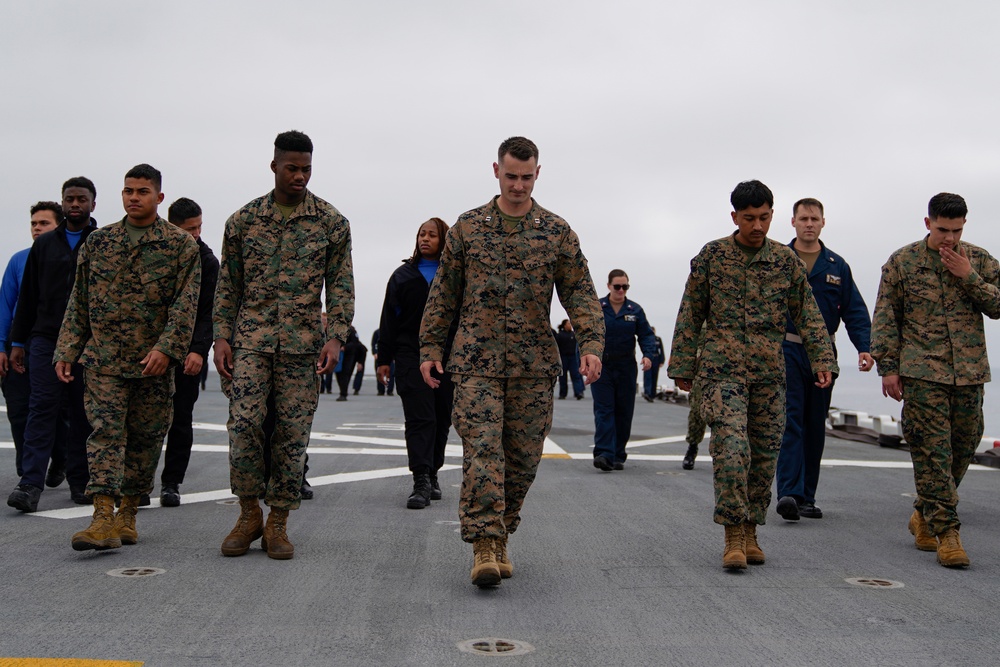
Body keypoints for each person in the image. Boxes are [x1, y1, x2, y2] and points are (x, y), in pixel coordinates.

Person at [420, 136, 605, 587]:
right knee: (484, 453)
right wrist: (429, 348)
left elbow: (579, 290)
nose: (518, 185)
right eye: (510, 176)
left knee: (522, 460)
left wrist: (592, 343)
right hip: (475, 362)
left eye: (526, 177)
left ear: (537, 174)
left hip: (533, 365)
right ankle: (484, 544)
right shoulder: (468, 227)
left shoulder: (556, 231)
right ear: (496, 172)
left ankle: (502, 532)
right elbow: (444, 293)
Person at [668, 180, 836, 570]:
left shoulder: (785, 262)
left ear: (772, 215)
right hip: (719, 372)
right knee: (731, 450)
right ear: (734, 217)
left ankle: (750, 529)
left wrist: (822, 358)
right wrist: (681, 365)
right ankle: (732, 535)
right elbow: (691, 311)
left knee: (762, 456)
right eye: (749, 219)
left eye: (763, 218)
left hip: (769, 375)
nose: (757, 226)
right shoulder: (712, 256)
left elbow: (809, 314)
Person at [214, 130, 354, 561]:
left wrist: (336, 336)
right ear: (273, 165)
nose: (299, 176)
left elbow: (342, 285)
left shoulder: (330, 222)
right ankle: (247, 513)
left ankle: (277, 523)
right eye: (292, 168)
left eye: (306, 169)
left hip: (301, 347)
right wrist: (220, 335)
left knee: (292, 437)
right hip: (251, 342)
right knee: (243, 427)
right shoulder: (243, 221)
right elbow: (228, 284)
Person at [55, 164, 201, 551]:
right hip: (104, 360)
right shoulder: (99, 242)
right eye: (127, 191)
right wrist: (68, 349)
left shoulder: (179, 246)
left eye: (141, 191)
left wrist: (167, 349)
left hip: (152, 364)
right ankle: (102, 516)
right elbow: (79, 300)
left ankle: (128, 514)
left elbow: (185, 306)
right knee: (104, 434)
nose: (133, 197)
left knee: (146, 439)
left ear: (159, 197)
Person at [871, 192, 999, 568]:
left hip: (969, 373)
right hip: (921, 372)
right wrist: (888, 368)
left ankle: (924, 514)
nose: (950, 239)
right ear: (928, 224)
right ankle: (948, 534)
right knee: (932, 453)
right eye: (943, 230)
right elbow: (885, 317)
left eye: (956, 231)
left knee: (964, 444)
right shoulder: (902, 262)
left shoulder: (977, 259)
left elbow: (998, 305)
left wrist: (969, 277)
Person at [775, 199, 872, 521]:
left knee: (815, 425)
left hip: (823, 355)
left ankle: (806, 497)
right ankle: (788, 492)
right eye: (803, 218)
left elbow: (854, 311)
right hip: (785, 350)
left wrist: (865, 347)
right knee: (790, 421)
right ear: (793, 222)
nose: (809, 224)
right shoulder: (778, 260)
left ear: (823, 222)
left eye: (814, 219)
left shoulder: (836, 266)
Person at [6, 179, 99, 511]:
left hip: (88, 343)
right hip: (45, 339)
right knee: (41, 408)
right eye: (69, 199)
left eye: (81, 199)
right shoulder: (44, 245)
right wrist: (18, 341)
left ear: (93, 204)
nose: (75, 204)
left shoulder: (104, 243)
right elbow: (28, 297)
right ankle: (30, 484)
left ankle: (80, 481)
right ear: (62, 204)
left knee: (82, 413)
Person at [378, 217, 456, 509]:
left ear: (443, 239)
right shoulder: (402, 276)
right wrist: (384, 358)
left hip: (447, 357)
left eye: (432, 235)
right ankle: (421, 479)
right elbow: (389, 319)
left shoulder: (454, 275)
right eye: (421, 234)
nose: (425, 239)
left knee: (441, 416)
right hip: (410, 354)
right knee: (419, 418)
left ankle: (434, 472)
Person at [159, 198, 220, 507]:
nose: (195, 234)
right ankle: (137, 483)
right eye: (188, 229)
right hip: (152, 350)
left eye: (198, 227)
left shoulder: (208, 262)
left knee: (180, 419)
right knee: (143, 421)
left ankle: (171, 483)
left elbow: (209, 312)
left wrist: (198, 350)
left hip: (187, 354)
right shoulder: (155, 254)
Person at [1, 202, 62, 479]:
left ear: (58, 226)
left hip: (54, 343)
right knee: (19, 408)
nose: (37, 228)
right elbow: (6, 304)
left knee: (57, 409)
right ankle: (25, 471)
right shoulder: (18, 260)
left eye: (44, 223)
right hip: (19, 342)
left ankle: (61, 459)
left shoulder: (67, 257)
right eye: (34, 224)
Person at [591, 269, 656, 471]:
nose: (621, 290)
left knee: (624, 411)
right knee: (604, 410)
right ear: (609, 286)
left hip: (626, 367)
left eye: (625, 287)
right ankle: (604, 453)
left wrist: (648, 355)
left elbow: (646, 335)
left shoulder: (634, 310)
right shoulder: (597, 308)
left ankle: (618, 453)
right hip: (602, 366)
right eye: (617, 286)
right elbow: (587, 334)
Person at [554, 319, 585, 400]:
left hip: (573, 358)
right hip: (563, 358)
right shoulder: (560, 335)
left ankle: (578, 393)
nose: (570, 325)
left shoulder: (574, 334)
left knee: (576, 375)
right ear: (564, 325)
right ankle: (562, 394)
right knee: (562, 377)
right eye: (568, 324)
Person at [335, 327, 362, 401]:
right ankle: (342, 390)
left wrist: (345, 347)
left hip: (349, 355)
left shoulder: (351, 330)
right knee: (338, 373)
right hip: (338, 354)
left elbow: (355, 342)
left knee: (345, 373)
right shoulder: (336, 329)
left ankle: (343, 393)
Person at [642, 326, 665, 402]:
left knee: (654, 376)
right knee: (647, 376)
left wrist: (662, 361)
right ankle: (647, 393)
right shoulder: (647, 339)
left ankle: (652, 394)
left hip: (656, 359)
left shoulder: (658, 339)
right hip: (649, 358)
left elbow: (661, 350)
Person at [372, 328, 394, 396]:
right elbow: (374, 343)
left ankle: (390, 390)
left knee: (391, 373)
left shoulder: (392, 331)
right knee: (379, 373)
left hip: (390, 356)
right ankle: (380, 390)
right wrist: (375, 353)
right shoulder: (377, 332)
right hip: (379, 356)